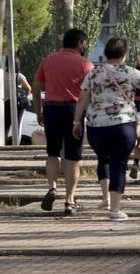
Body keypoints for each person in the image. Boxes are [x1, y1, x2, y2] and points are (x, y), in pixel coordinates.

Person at [72, 38, 140, 221]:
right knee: (119, 164)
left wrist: (76, 123)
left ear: (106, 53)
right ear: (124, 54)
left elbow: (82, 99)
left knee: (103, 159)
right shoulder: (131, 72)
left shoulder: (93, 73)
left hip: (96, 127)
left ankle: (106, 199)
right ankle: (115, 210)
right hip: (122, 125)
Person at [33, 28, 94, 215]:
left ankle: (52, 187)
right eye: (84, 43)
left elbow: (36, 87)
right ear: (79, 44)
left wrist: (39, 111)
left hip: (51, 109)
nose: (85, 46)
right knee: (73, 157)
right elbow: (90, 93)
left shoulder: (48, 60)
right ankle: (69, 201)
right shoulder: (86, 65)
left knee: (52, 153)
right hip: (73, 111)